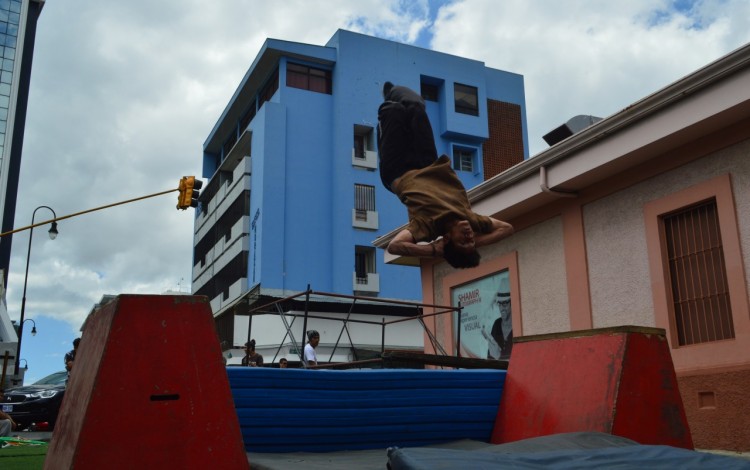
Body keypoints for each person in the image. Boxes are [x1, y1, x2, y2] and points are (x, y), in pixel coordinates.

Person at [377, 81, 514, 268]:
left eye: (463, 241)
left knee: (393, 111)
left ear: (448, 239)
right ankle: (392, 91)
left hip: (398, 169)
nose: (469, 237)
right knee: (416, 107)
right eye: (471, 241)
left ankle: (389, 104)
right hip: (429, 163)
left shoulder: (427, 227)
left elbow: (395, 246)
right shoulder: (471, 219)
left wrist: (434, 250)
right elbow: (507, 228)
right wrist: (473, 246)